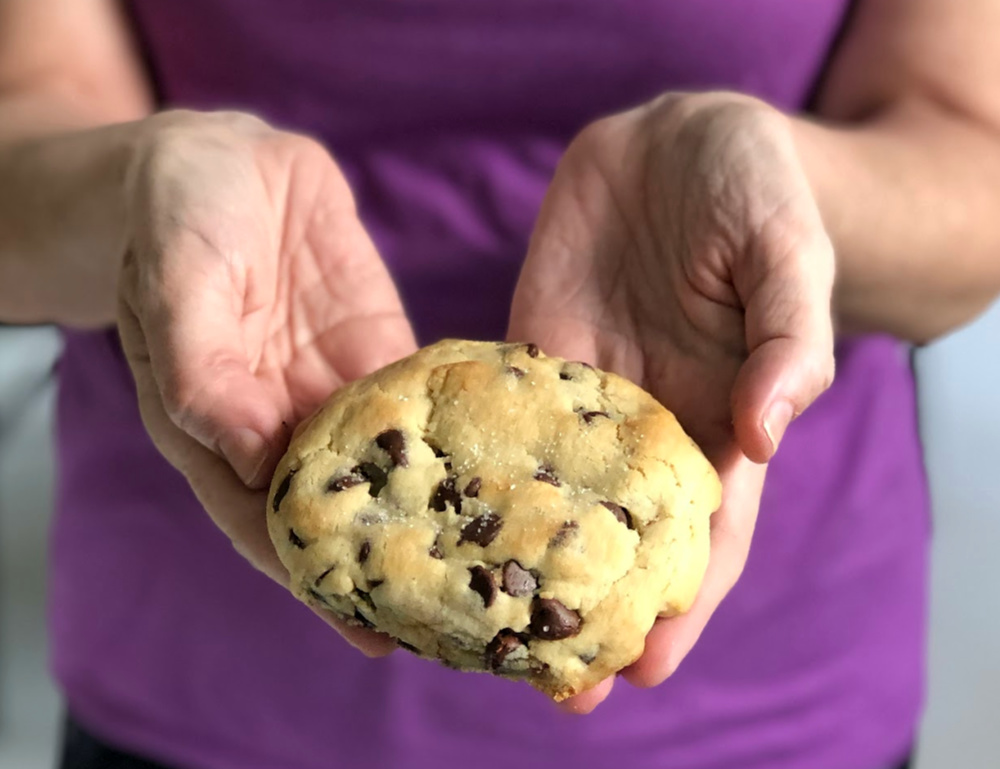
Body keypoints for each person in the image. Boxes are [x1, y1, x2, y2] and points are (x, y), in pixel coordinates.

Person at [1, 1, 998, 767]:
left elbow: (970, 156)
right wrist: (138, 184)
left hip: (768, 708)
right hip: (196, 681)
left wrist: (796, 193)